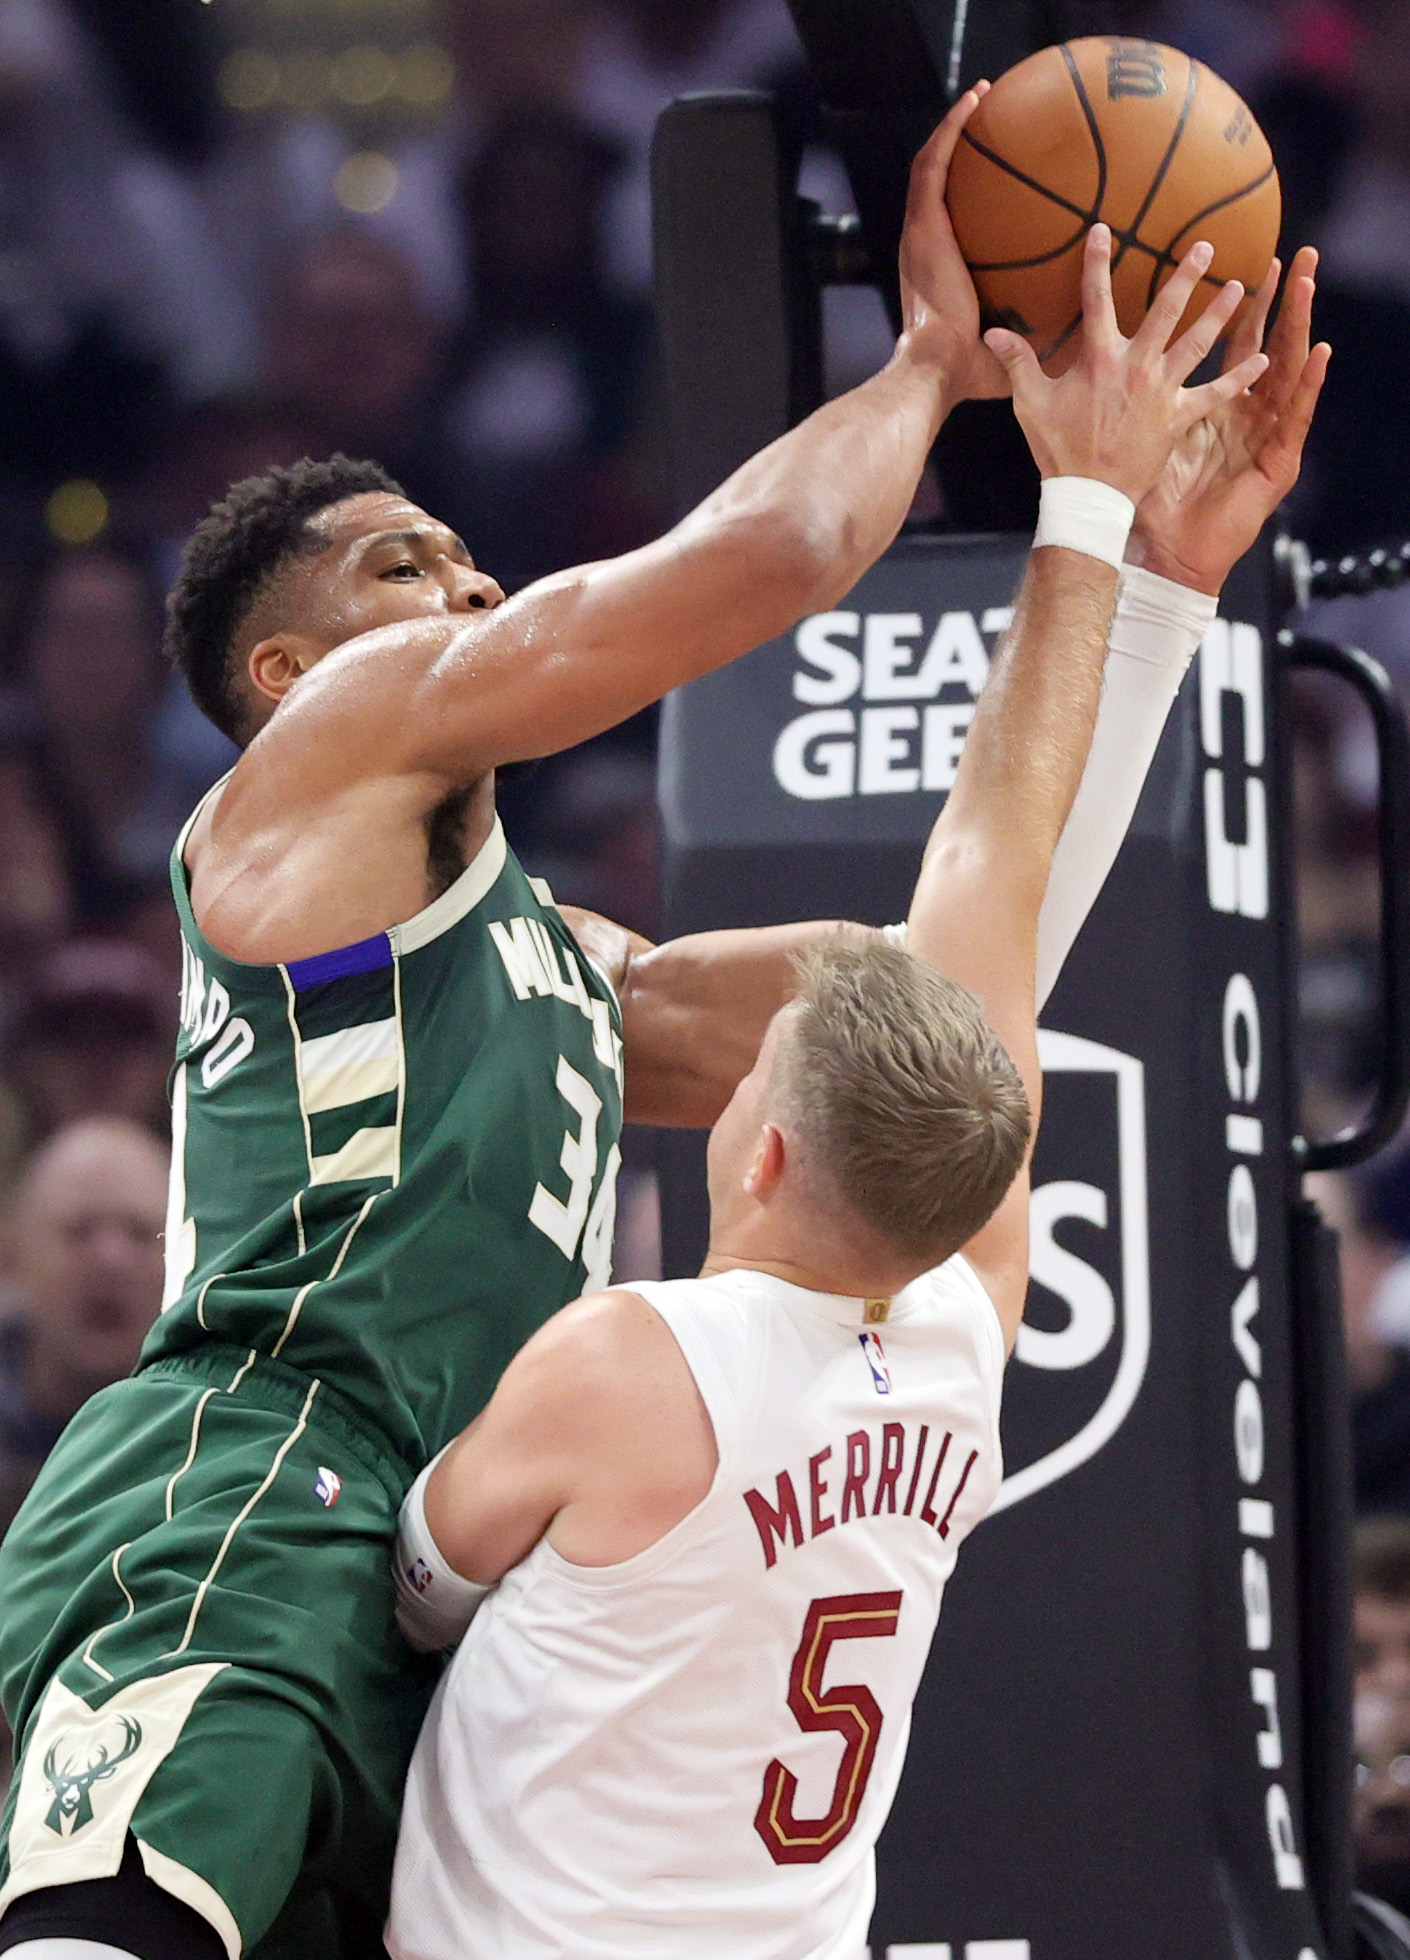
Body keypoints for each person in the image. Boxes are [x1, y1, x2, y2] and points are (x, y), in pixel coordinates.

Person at [0, 78, 1325, 1960]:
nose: (464, 583)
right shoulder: (305, 774)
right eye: (401, 568)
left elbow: (963, 978)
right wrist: (932, 368)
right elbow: (761, 571)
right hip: (259, 1484)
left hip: (449, 1552)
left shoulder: (566, 967)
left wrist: (1150, 584)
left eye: (462, 555)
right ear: (283, 672)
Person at [382, 222, 1321, 1958]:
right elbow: (997, 871)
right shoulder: (959, 1335)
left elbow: (410, 1598)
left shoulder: (635, 1359)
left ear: (766, 1136)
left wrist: (1116, 520)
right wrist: (1140, 566)